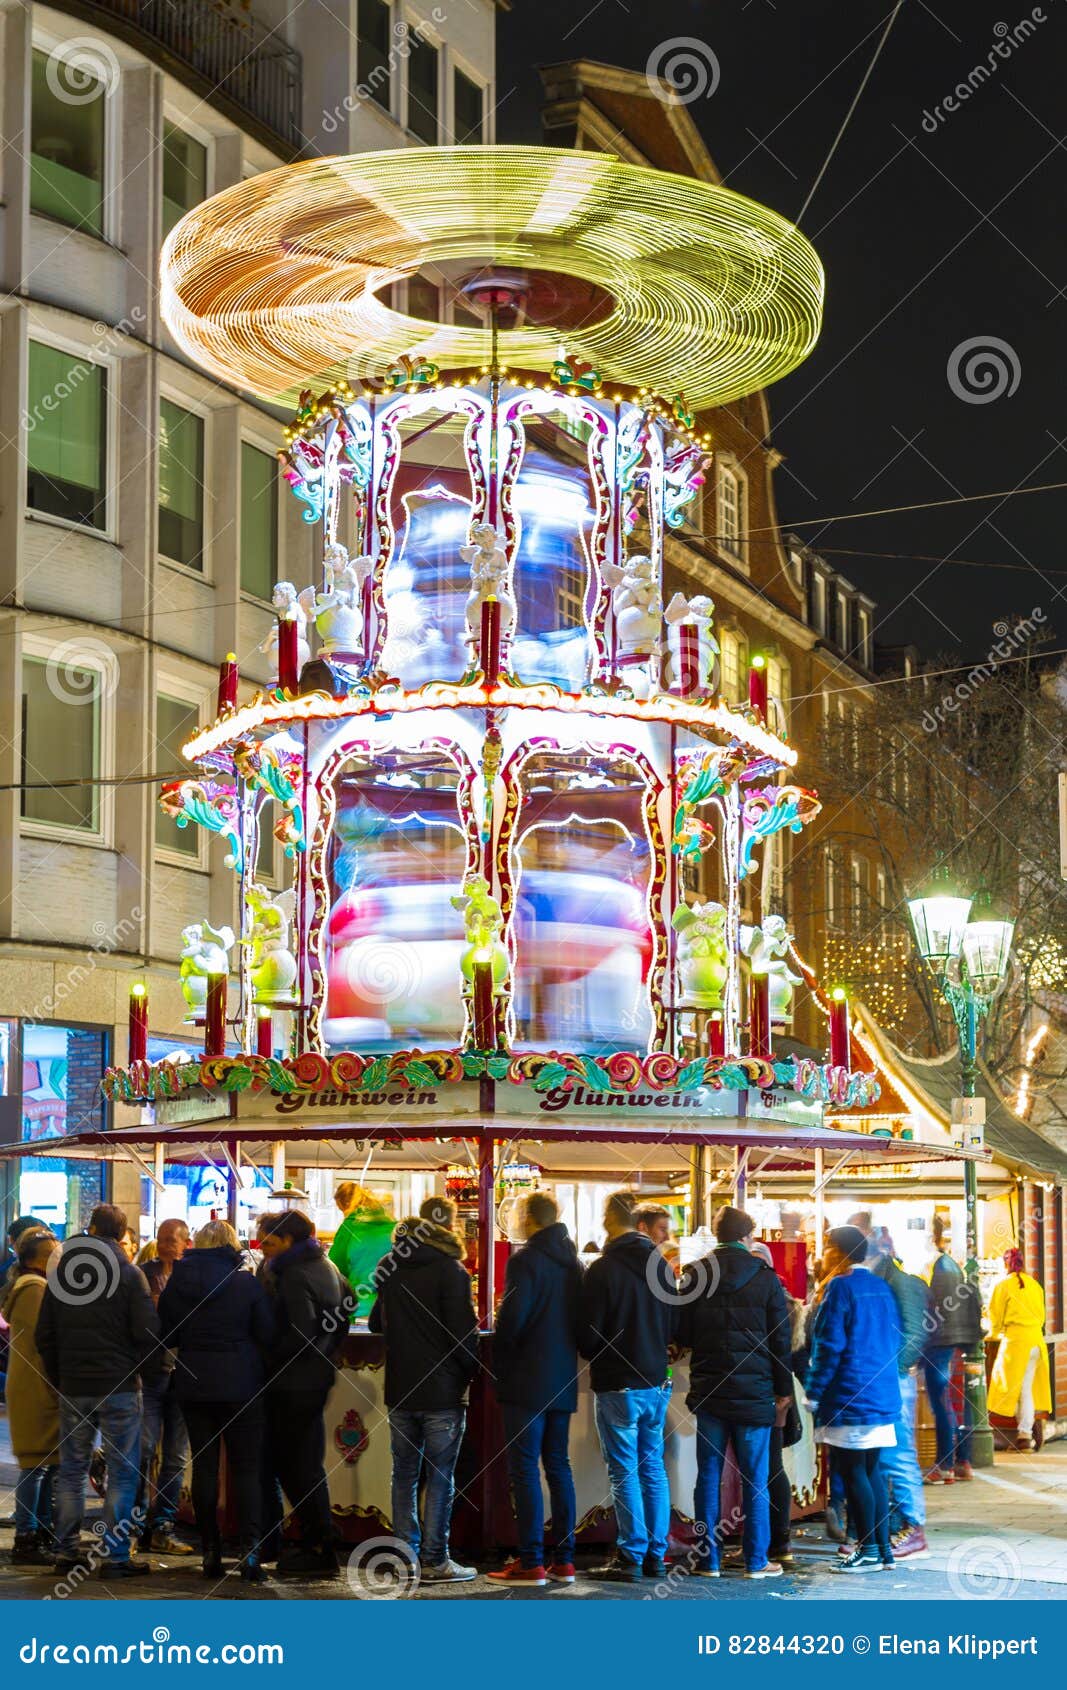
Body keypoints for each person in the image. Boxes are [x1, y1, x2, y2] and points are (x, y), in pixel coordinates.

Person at [36, 1203, 161, 1579]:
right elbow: (148, 1333)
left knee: (71, 1470)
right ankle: (115, 1556)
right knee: (123, 1472)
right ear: (120, 1236)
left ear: (90, 1229)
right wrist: (139, 1369)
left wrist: (61, 1375)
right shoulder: (129, 1274)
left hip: (74, 1386)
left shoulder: (62, 1276)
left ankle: (65, 1552)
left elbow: (45, 1334)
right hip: (119, 1386)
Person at [368, 1196, 480, 1582]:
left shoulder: (388, 1269)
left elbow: (376, 1326)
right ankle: (435, 1559)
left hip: (400, 1388)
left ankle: (406, 1554)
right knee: (440, 1476)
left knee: (404, 1474)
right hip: (443, 1392)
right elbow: (463, 1335)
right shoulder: (452, 1272)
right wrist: (472, 1371)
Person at [676, 1208, 791, 1580]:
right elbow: (780, 1342)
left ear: (716, 1234)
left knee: (707, 1477)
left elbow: (684, 1333)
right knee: (755, 1478)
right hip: (755, 1394)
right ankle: (757, 1561)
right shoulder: (766, 1279)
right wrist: (783, 1391)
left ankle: (707, 1559)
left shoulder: (695, 1274)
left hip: (709, 1392)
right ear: (747, 1238)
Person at [158, 1219, 275, 1582]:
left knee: (204, 1466)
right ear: (231, 1246)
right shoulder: (246, 1283)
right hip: (242, 1384)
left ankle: (211, 1552)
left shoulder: (179, 1280)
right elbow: (268, 1334)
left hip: (194, 1383)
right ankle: (251, 1554)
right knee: (247, 1469)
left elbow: (166, 1332)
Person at [578, 1189, 675, 1583]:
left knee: (623, 1472)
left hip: (618, 1382)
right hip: (656, 1381)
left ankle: (631, 1554)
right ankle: (656, 1552)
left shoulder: (602, 1270)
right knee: (653, 1469)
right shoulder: (663, 1267)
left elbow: (587, 1338)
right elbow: (674, 1326)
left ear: (609, 1221)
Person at [488, 1189, 582, 1587]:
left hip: (527, 1377)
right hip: (563, 1375)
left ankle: (531, 1561)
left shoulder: (525, 1260)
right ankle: (564, 1559)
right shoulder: (574, 1263)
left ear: (529, 1218)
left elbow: (513, 1319)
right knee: (558, 1466)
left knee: (525, 1469)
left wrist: (501, 1356)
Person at [804, 1225, 901, 1573]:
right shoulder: (881, 1287)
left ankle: (870, 1550)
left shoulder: (841, 1287)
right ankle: (882, 1550)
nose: (823, 1253)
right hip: (880, 1393)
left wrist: (814, 1392)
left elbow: (829, 1346)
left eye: (827, 1247)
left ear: (839, 1252)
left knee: (853, 1471)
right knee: (872, 1471)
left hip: (850, 1395)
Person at [261, 1209, 354, 1575]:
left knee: (293, 1464)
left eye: (269, 1241)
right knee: (306, 1462)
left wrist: (270, 1356)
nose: (263, 1248)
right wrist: (330, 1351)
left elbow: (299, 1332)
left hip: (292, 1382)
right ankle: (319, 1539)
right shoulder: (327, 1267)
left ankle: (319, 1544)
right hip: (315, 1378)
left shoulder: (294, 1275)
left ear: (287, 1241)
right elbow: (347, 1311)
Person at [860, 1226, 930, 1561]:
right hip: (886, 1378)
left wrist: (892, 1369)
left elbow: (916, 1335)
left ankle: (915, 1530)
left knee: (899, 1454)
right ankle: (899, 1525)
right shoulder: (883, 1280)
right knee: (886, 1456)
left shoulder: (902, 1283)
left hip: (893, 1380)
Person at [4, 1228, 60, 1565]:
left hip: (37, 1385)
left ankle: (40, 1530)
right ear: (39, 1259)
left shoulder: (34, 1287)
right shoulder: (35, 1290)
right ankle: (26, 1537)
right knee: (36, 1464)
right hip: (36, 1387)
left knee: (47, 1463)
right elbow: (43, 1344)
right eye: (54, 1253)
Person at [136, 1218, 193, 1556]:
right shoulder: (143, 1272)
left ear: (186, 1242)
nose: (165, 1244)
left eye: (171, 1239)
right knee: (142, 1450)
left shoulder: (191, 1275)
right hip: (151, 1371)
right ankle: (137, 1523)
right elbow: (143, 1316)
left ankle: (163, 1527)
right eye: (161, 1238)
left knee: (175, 1455)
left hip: (183, 1373)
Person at [923, 1215, 984, 1482]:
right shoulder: (950, 1265)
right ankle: (962, 1461)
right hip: (956, 1341)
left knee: (943, 1404)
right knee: (956, 1405)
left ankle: (945, 1464)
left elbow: (933, 1310)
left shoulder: (936, 1265)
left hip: (940, 1342)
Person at [987, 1248, 1051, 1451]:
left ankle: (1024, 1435)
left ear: (1006, 1264)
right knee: (1026, 1389)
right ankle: (1024, 1434)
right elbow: (1042, 1317)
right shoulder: (1034, 1284)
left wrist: (994, 1332)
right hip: (1035, 1342)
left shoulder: (1003, 1285)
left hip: (1015, 1343)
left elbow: (994, 1318)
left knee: (1006, 1387)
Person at [327, 1182, 395, 1317]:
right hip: (390, 1308)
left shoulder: (349, 1227)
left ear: (345, 1205)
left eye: (341, 1210)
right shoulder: (393, 1225)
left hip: (358, 1306)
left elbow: (335, 1269)